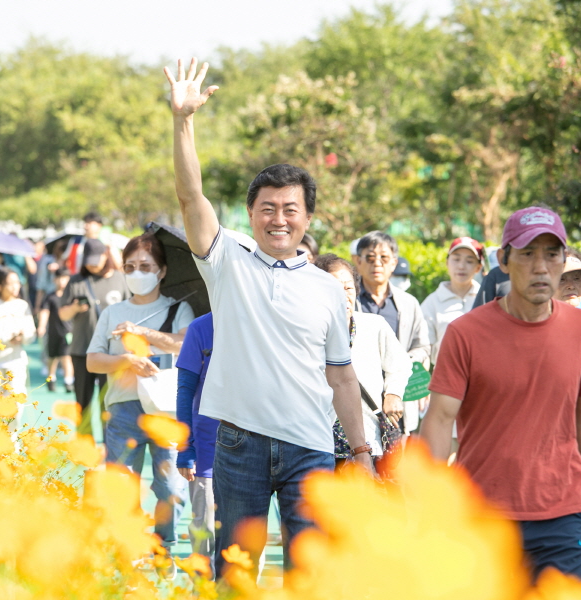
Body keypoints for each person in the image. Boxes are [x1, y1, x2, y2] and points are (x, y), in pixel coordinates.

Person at [165, 58, 371, 580]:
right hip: (239, 444)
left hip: (310, 447)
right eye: (268, 208)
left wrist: (363, 451)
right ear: (251, 214)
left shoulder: (328, 288)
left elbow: (342, 376)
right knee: (235, 573)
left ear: (308, 217)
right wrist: (183, 121)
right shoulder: (226, 259)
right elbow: (191, 196)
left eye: (291, 208)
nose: (279, 218)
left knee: (310, 574)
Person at [421, 207, 581, 580]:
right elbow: (440, 419)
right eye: (527, 253)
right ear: (503, 261)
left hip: (561, 516)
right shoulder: (466, 333)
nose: (541, 267)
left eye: (552, 254)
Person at [86, 233, 194, 560]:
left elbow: (185, 345)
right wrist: (125, 360)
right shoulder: (111, 312)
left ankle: (165, 545)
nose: (137, 273)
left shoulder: (180, 308)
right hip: (122, 410)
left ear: (161, 271)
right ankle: (127, 548)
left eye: (145, 266)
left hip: (165, 410)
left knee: (171, 488)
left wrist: (144, 333)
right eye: (130, 266)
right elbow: (93, 360)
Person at [315, 254, 413, 467]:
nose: (342, 295)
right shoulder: (308, 333)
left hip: (367, 441)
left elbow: (400, 365)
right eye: (333, 288)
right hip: (320, 444)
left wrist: (394, 394)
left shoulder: (374, 325)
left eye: (348, 288)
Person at [354, 231, 430, 432]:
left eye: (384, 258)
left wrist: (403, 361)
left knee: (399, 460)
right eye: (369, 258)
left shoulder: (408, 303)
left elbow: (423, 346)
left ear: (394, 263)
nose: (377, 263)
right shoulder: (349, 301)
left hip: (399, 401)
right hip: (359, 401)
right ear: (357, 262)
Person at [59, 238, 129, 421]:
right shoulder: (76, 281)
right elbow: (62, 315)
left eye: (95, 260)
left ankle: (108, 446)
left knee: (108, 404)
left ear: (105, 256)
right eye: (88, 260)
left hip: (111, 352)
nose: (92, 265)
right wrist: (74, 308)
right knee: (83, 404)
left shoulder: (119, 279)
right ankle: (85, 444)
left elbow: (131, 309)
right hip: (82, 349)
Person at [175, 312, 217, 568]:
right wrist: (185, 447)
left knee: (244, 541)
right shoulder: (201, 327)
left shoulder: (262, 319)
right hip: (207, 448)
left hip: (253, 448)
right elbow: (185, 391)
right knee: (206, 534)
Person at [421, 237, 484, 365]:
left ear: (478, 267)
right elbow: (424, 349)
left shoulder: (487, 298)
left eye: (469, 261)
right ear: (447, 262)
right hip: (446, 378)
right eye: (456, 259)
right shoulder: (431, 303)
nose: (461, 266)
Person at [0, 269, 36, 399]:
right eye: (10, 283)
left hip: (16, 361)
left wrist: (23, 337)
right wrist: (6, 338)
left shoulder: (22, 306)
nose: (15, 286)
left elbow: (31, 333)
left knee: (15, 402)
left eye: (17, 282)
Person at [38, 268, 74, 393]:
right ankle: (51, 379)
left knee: (66, 357)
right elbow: (44, 311)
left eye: (65, 278)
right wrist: (41, 326)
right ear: (54, 280)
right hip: (53, 332)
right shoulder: (50, 297)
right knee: (52, 358)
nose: (62, 281)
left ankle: (68, 381)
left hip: (68, 333)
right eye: (60, 278)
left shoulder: (71, 297)